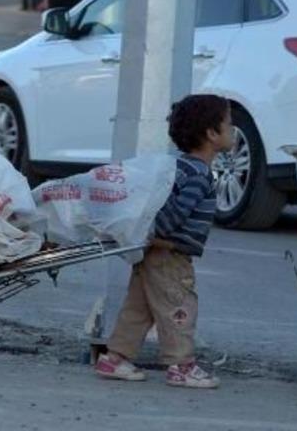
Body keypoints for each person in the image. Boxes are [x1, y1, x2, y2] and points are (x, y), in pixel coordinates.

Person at [94, 94, 234, 389]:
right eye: (229, 124)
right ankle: (181, 365)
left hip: (152, 253)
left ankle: (115, 358)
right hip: (169, 254)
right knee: (179, 306)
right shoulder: (199, 174)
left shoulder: (178, 167)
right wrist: (156, 236)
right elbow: (175, 214)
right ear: (211, 134)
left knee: (139, 308)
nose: (232, 130)